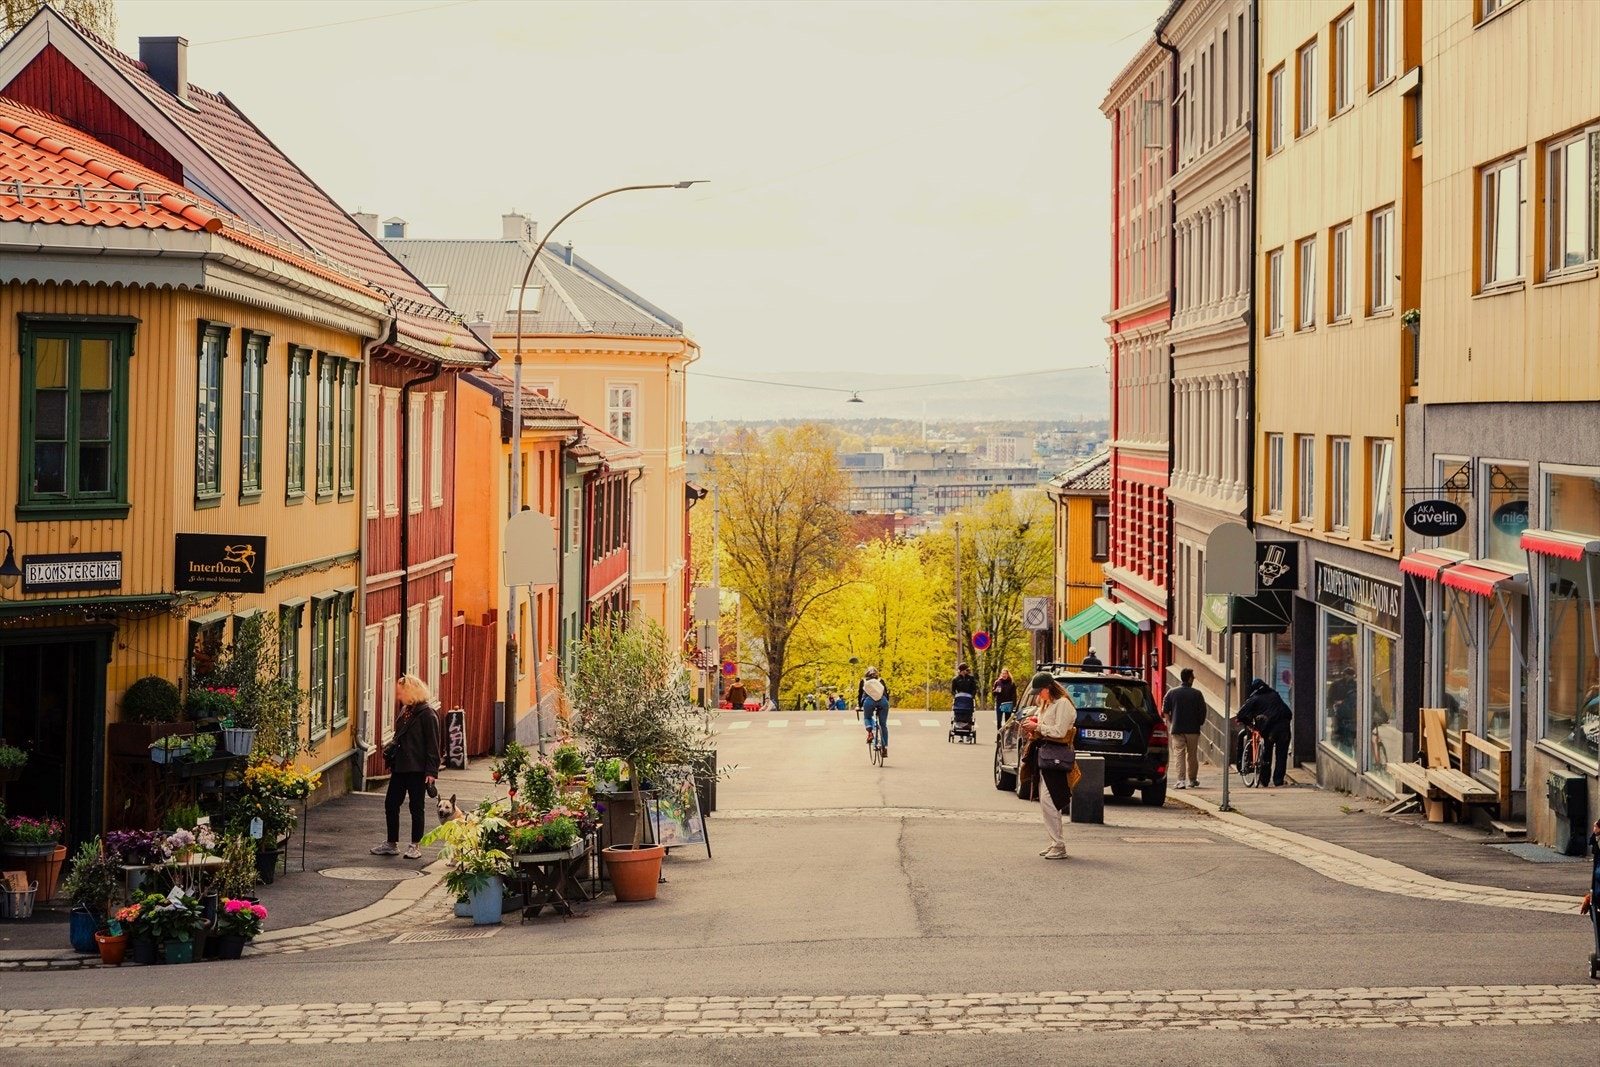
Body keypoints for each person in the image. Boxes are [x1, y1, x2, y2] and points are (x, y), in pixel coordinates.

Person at [372, 674, 441, 859]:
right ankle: (391, 843)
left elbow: (433, 745)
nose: (398, 695)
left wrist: (431, 772)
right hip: (400, 766)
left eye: (401, 692)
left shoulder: (428, 714)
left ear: (411, 692)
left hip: (417, 769)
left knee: (416, 807)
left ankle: (415, 845)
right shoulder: (405, 711)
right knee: (391, 804)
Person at [1019, 671, 1077, 860]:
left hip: (1056, 755)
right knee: (1047, 800)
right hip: (1046, 754)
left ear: (1048, 688)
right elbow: (1044, 725)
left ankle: (1059, 845)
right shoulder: (1047, 703)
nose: (1038, 695)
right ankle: (1055, 842)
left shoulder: (1063, 704)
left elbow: (1060, 731)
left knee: (1050, 799)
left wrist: (1038, 728)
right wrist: (1033, 723)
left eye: (1040, 691)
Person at [1236, 677, 1292, 787]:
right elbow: (1288, 712)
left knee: (1267, 753)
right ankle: (1278, 780)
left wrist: (1248, 723)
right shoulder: (1275, 695)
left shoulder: (1255, 698)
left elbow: (1240, 714)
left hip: (1270, 729)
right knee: (1282, 755)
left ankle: (1264, 779)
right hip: (1284, 728)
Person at [1162, 668, 1208, 789]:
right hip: (1193, 729)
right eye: (1193, 676)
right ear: (1189, 678)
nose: (1194, 678)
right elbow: (1202, 711)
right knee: (1192, 755)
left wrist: (1171, 721)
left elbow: (1165, 710)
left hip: (1177, 728)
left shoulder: (1171, 693)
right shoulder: (1197, 694)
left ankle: (1180, 780)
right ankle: (1192, 779)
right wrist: (1199, 722)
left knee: (1179, 754)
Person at [859, 666, 891, 755]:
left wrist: (860, 706)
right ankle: (884, 748)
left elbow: (860, 694)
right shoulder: (881, 680)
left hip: (869, 701)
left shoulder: (863, 681)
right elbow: (886, 694)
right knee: (883, 724)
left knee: (867, 717)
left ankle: (870, 732)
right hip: (883, 701)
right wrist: (886, 704)